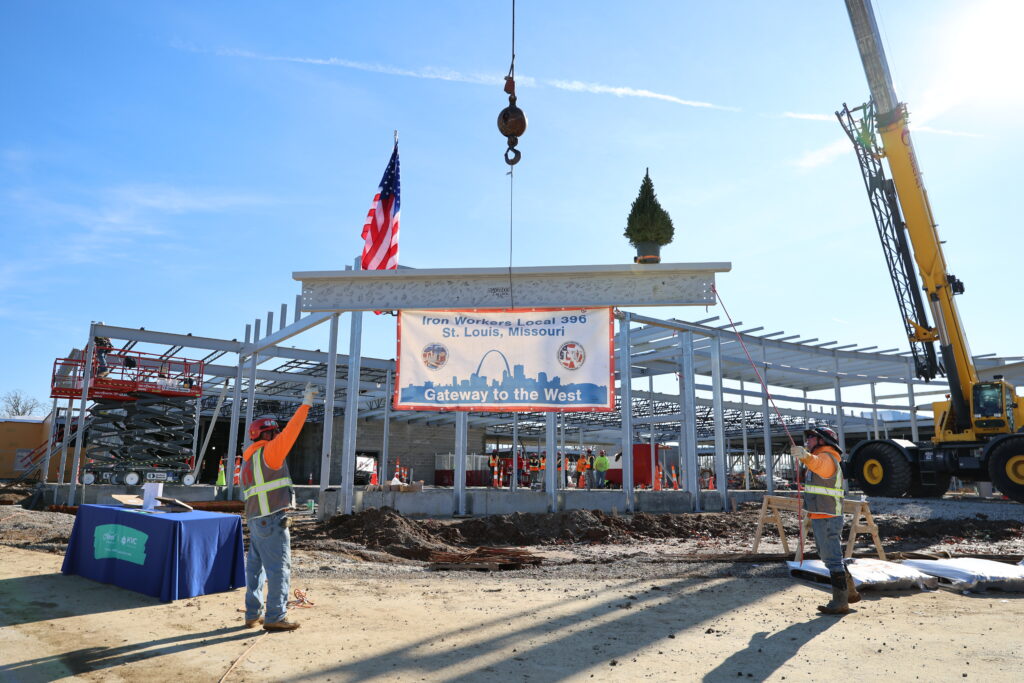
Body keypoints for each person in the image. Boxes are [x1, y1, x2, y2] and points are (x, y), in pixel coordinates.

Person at [241, 382, 317, 632]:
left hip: (254, 519)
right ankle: (275, 616)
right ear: (267, 435)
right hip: (272, 520)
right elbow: (292, 432)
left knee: (255, 569)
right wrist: (305, 404)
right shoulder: (270, 453)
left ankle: (253, 614)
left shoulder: (248, 460)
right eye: (275, 432)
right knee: (279, 569)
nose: (278, 435)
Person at [790, 425, 861, 615]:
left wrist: (805, 456)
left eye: (812, 438)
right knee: (829, 555)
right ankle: (850, 593)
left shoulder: (827, 458)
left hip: (828, 515)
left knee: (831, 558)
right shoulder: (822, 457)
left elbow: (818, 464)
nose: (808, 441)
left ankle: (840, 602)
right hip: (823, 514)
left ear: (823, 440)